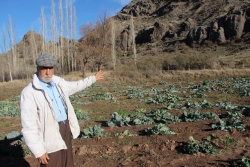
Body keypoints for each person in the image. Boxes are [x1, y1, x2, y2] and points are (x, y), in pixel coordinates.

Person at [20, 54, 104, 167]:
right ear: (38, 68)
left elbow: (76, 85)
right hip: (48, 135)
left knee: (67, 162)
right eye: (44, 68)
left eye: (50, 68)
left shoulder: (59, 84)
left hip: (65, 128)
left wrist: (93, 78)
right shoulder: (29, 92)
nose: (48, 72)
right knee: (52, 163)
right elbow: (28, 125)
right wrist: (38, 150)